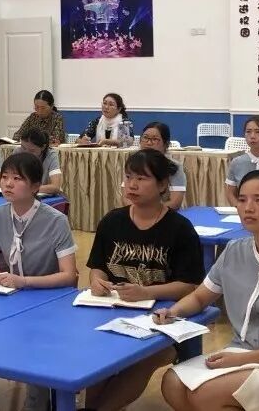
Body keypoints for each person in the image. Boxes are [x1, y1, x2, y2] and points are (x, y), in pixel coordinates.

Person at [81, 149, 204, 411]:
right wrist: (97, 281)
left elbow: (190, 285)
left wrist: (147, 292)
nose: (132, 185)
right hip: (113, 313)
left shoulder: (180, 229)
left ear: (162, 185)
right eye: (128, 177)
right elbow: (97, 267)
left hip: (164, 319)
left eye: (141, 178)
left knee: (142, 358)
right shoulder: (112, 221)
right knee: (94, 355)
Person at [159, 170, 259, 411]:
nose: (248, 208)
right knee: (172, 383)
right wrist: (173, 312)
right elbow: (200, 296)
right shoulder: (234, 251)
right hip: (241, 351)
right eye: (242, 199)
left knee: (205, 394)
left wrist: (243, 359)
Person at [0, 153, 78, 409]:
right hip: (10, 293)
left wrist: (24, 281)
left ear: (36, 186)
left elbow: (68, 275)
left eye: (17, 179)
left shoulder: (55, 220)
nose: (8, 183)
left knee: (35, 337)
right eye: (5, 177)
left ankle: (39, 392)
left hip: (47, 297)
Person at [128, 122, 187, 210]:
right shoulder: (132, 164)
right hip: (135, 212)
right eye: (145, 138)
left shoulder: (174, 167)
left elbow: (175, 202)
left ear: (166, 144)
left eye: (155, 139)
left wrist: (150, 212)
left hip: (165, 213)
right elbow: (127, 198)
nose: (148, 143)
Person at [17, 129, 62, 195]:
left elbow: (56, 187)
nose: (26, 153)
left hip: (44, 196)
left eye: (32, 150)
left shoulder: (51, 155)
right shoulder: (18, 152)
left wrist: (28, 189)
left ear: (43, 147)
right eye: (23, 148)